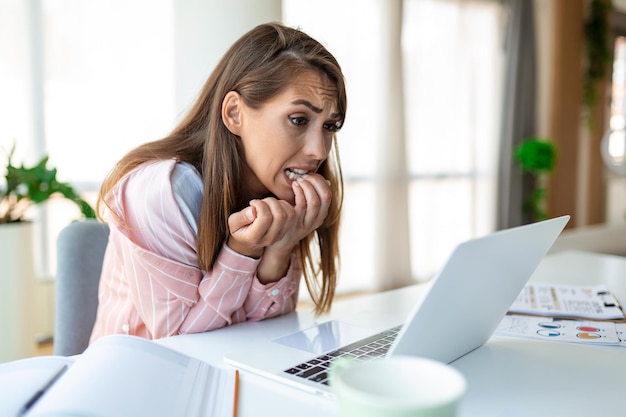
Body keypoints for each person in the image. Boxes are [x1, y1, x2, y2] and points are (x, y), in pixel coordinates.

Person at [89, 22, 347, 343]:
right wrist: (242, 251)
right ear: (235, 113)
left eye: (330, 126)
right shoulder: (158, 192)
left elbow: (264, 334)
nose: (319, 150)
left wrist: (280, 248)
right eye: (299, 120)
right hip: (131, 382)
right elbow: (182, 346)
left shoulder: (277, 194)